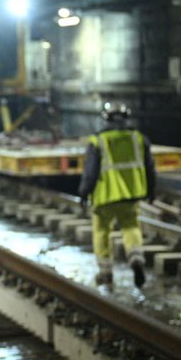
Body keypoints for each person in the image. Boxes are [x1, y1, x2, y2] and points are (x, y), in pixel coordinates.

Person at [78, 101, 156, 288]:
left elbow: (90, 172)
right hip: (130, 195)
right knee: (130, 227)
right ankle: (136, 258)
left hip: (105, 196)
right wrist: (151, 191)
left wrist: (84, 192)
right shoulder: (138, 138)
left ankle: (105, 273)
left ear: (105, 119)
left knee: (102, 231)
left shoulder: (98, 141)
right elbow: (150, 168)